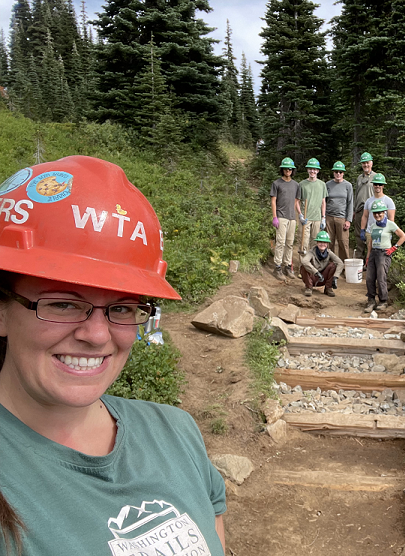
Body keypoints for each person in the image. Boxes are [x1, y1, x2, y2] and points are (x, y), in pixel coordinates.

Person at [0, 156, 227, 555]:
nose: (97, 335)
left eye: (122, 308)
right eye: (63, 304)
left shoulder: (176, 433)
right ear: (2, 310)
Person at [364, 200, 405, 313]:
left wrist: (394, 248)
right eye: (375, 213)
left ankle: (383, 301)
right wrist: (368, 257)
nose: (378, 215)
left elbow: (403, 236)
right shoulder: (373, 226)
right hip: (373, 252)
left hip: (384, 253)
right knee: (369, 278)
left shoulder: (390, 224)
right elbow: (370, 242)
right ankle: (371, 300)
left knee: (381, 277)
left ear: (384, 212)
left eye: (380, 213)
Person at [270, 157, 302, 280]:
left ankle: (287, 266)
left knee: (289, 243)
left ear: (292, 170)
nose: (288, 170)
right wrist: (275, 217)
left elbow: (296, 201)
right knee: (280, 242)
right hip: (281, 217)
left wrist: (297, 214)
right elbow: (273, 201)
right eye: (285, 168)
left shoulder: (296, 185)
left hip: (292, 218)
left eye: (290, 169)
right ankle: (277, 267)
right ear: (282, 169)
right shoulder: (276, 183)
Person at [359, 173, 396, 258]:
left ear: (383, 186)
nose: (377, 186)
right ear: (373, 185)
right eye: (375, 184)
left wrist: (389, 233)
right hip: (370, 232)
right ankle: (369, 269)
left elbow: (391, 219)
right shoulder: (368, 201)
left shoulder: (388, 201)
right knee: (370, 255)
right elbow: (365, 216)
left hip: (383, 233)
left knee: (381, 257)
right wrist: (362, 230)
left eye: (380, 184)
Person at [324, 161, 354, 263]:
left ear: (343, 173)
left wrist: (348, 220)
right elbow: (324, 201)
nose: (338, 174)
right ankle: (330, 265)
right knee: (329, 242)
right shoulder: (328, 184)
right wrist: (323, 217)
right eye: (336, 172)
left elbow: (350, 203)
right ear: (333, 172)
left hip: (342, 218)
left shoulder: (348, 185)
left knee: (343, 243)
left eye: (340, 172)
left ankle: (345, 266)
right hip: (329, 217)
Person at [300, 231, 344, 298]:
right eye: (320, 242)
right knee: (304, 266)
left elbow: (340, 263)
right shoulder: (312, 251)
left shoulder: (329, 252)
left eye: (324, 242)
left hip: (323, 278)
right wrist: (316, 272)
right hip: (313, 277)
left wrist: (335, 277)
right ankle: (309, 287)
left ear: (327, 243)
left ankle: (328, 288)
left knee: (333, 265)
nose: (322, 244)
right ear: (317, 242)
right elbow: (304, 261)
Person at [298, 158, 328, 255]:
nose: (312, 171)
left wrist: (323, 218)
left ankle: (313, 265)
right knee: (304, 243)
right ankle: (303, 266)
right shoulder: (302, 184)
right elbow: (297, 201)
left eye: (314, 169)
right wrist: (300, 215)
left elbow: (323, 202)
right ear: (307, 170)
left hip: (317, 218)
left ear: (317, 171)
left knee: (315, 243)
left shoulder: (322, 184)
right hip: (306, 217)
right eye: (310, 169)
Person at [353, 152, 376, 261]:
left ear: (371, 163)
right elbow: (356, 193)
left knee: (370, 235)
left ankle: (370, 259)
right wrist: (354, 210)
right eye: (363, 163)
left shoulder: (376, 177)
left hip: (372, 211)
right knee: (359, 235)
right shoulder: (359, 178)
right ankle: (359, 259)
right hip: (359, 210)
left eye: (367, 163)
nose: (365, 165)